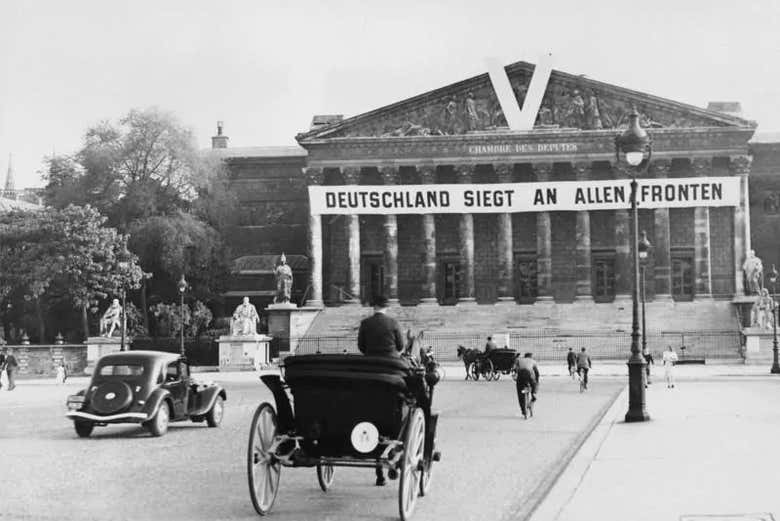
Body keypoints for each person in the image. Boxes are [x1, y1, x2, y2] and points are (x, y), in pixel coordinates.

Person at [357, 295, 405, 486]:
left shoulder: (365, 323)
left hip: (369, 368)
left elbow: (361, 347)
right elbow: (401, 346)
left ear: (373, 306)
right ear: (386, 307)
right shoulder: (393, 322)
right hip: (392, 368)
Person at [513, 353, 540, 418]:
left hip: (521, 376)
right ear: (531, 357)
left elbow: (514, 368)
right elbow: (537, 373)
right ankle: (533, 394)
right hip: (529, 376)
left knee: (520, 393)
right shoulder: (533, 361)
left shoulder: (519, 360)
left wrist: (516, 373)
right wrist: (536, 382)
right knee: (534, 385)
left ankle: (524, 411)